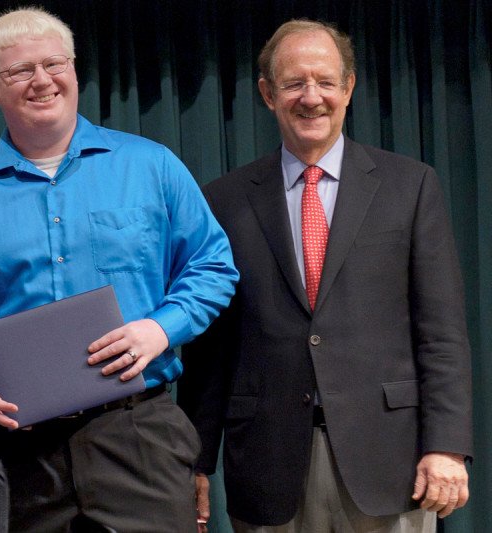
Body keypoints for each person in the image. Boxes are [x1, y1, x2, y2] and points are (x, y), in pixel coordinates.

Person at [0, 7, 238, 532]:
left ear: (74, 70)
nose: (42, 80)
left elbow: (213, 266)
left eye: (54, 64)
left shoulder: (151, 165)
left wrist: (159, 329)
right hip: (19, 447)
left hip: (138, 431)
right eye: (20, 71)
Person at [177, 19, 473, 533]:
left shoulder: (411, 186)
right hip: (268, 467)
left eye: (326, 81)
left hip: (390, 461)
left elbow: (441, 332)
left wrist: (445, 445)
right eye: (294, 83)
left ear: (349, 89)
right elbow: (210, 349)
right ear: (269, 94)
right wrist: (196, 461)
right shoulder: (223, 200)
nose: (311, 97)